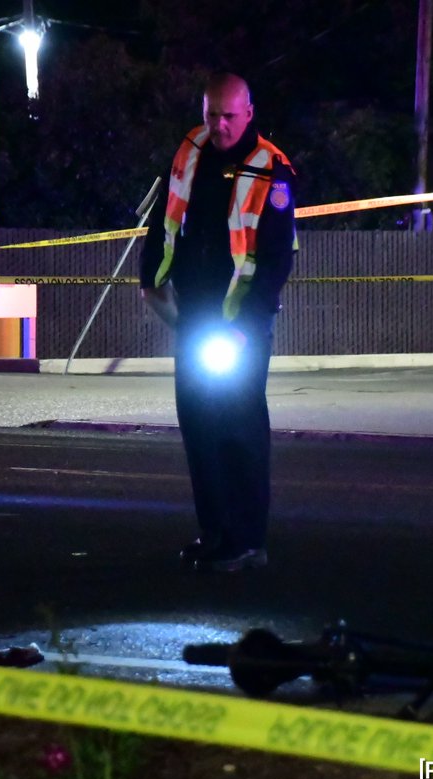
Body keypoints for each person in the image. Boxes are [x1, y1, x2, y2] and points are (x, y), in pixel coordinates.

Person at [139, 72, 298, 573]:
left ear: (250, 112)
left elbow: (276, 260)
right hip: (195, 314)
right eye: (212, 114)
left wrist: (245, 324)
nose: (220, 125)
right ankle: (215, 533)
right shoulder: (190, 150)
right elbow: (165, 217)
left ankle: (248, 541)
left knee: (239, 431)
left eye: (229, 115)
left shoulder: (272, 170)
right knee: (199, 428)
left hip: (239, 325)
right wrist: (149, 277)